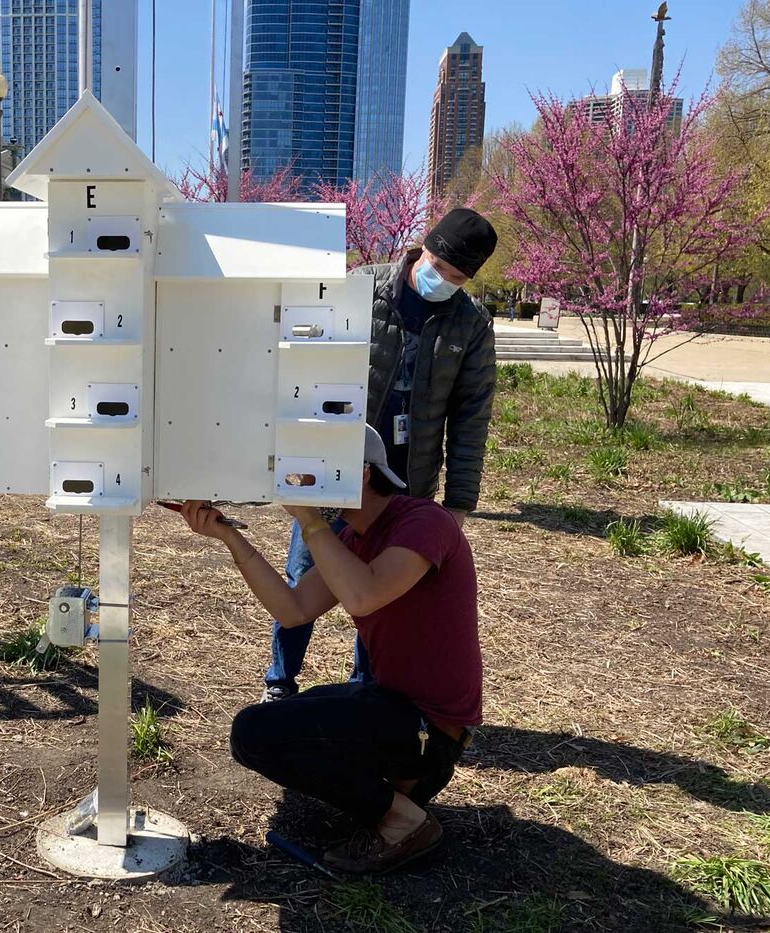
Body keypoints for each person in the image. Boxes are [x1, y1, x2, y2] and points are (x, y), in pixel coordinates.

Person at [180, 425, 481, 874]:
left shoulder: (423, 523)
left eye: (308, 473)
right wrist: (230, 537)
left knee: (255, 732)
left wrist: (310, 519)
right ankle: (393, 790)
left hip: (430, 732)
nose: (294, 483)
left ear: (358, 474)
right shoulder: (352, 538)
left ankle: (403, 820)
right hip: (395, 710)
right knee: (288, 719)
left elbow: (364, 594)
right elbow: (294, 608)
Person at [263, 207, 498, 702]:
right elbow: (305, 363)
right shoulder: (360, 289)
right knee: (308, 568)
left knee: (379, 595)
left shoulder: (470, 325)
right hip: (334, 465)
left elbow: (472, 416)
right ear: (423, 249)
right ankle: (280, 682)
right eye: (440, 268)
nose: (445, 282)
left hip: (406, 481)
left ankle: (367, 691)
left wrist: (457, 503)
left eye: (458, 279)